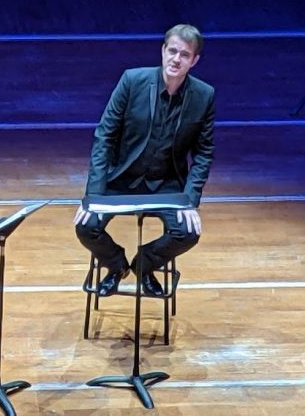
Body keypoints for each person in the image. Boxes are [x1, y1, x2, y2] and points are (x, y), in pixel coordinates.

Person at [74, 24, 215, 297]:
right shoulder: (132, 81)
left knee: (188, 233)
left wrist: (189, 199)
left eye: (184, 55)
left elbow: (204, 153)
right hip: (122, 180)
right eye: (172, 51)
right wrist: (93, 196)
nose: (176, 59)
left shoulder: (204, 95)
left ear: (194, 60)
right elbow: (104, 138)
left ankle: (143, 265)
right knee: (85, 226)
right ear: (163, 51)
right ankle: (116, 267)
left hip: (167, 184)